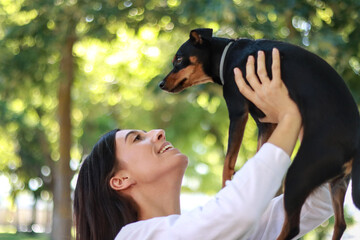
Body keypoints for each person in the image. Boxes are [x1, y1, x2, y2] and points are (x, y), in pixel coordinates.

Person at [73, 49, 334, 240]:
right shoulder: (134, 238)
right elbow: (236, 212)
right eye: (137, 138)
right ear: (120, 180)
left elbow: (315, 204)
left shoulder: (212, 230)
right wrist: (289, 117)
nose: (158, 132)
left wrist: (310, 126)